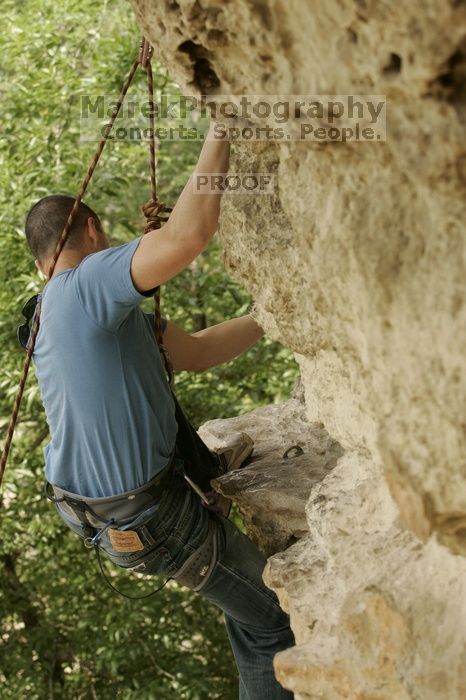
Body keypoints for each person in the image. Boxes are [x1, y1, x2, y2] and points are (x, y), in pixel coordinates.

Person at [23, 120, 295, 698]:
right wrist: (223, 125)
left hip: (104, 519)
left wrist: (275, 312)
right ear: (92, 232)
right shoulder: (82, 284)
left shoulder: (56, 315)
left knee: (248, 618)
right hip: (150, 517)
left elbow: (197, 353)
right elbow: (188, 237)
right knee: (277, 621)